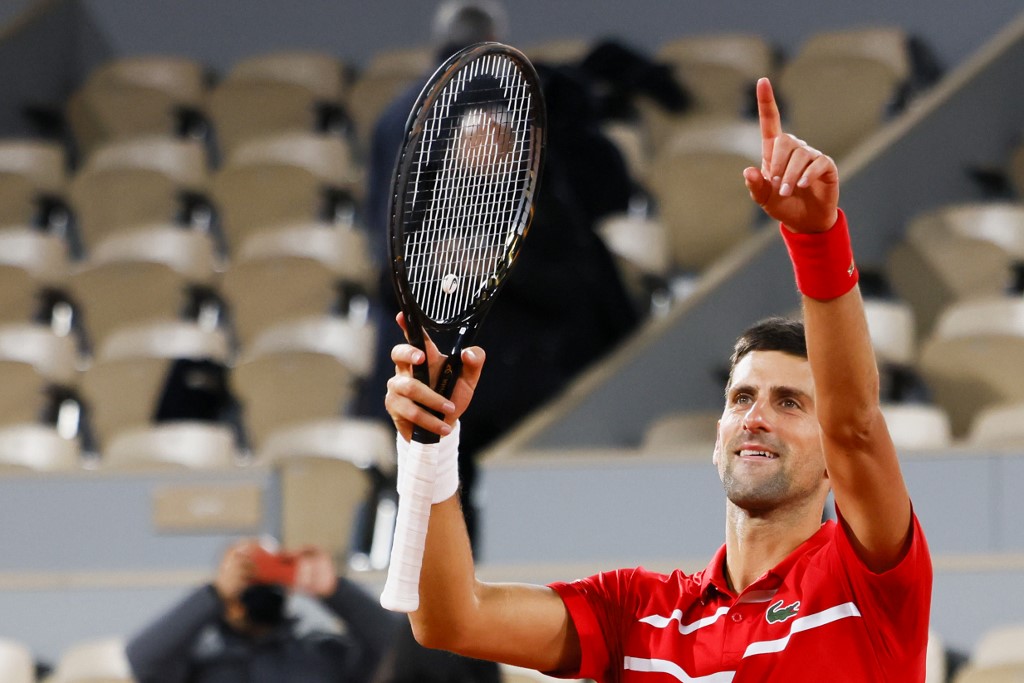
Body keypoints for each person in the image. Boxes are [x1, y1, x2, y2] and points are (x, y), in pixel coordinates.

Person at [381, 77, 933, 681]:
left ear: (835, 463)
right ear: (718, 430)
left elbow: (854, 424)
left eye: (791, 403)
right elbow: (450, 620)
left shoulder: (869, 584)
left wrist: (817, 239)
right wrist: (429, 444)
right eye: (742, 397)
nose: (757, 415)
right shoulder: (637, 612)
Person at [125, 539, 398, 683]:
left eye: (268, 570)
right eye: (247, 572)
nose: (259, 583)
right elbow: (142, 660)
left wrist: (335, 590)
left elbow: (401, 649)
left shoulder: (325, 653)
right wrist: (213, 595)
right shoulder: (199, 661)